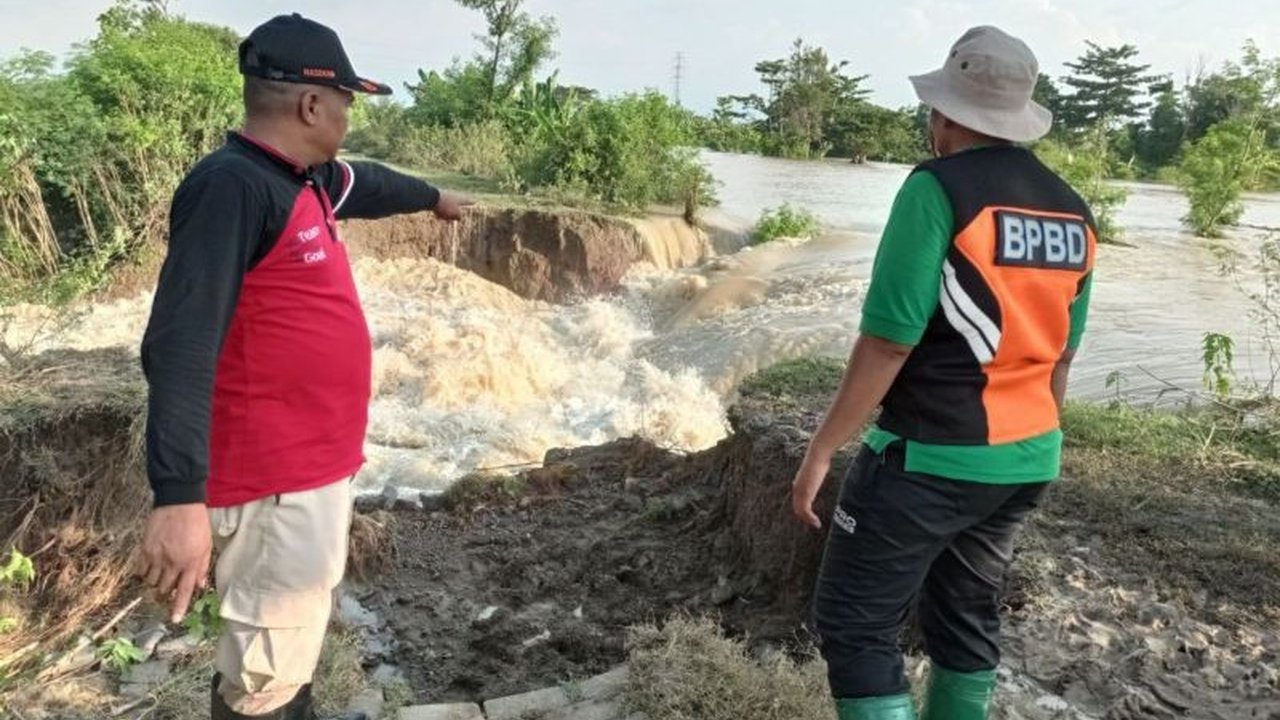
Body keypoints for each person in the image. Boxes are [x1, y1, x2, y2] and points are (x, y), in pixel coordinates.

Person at [133, 14, 469, 720]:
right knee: (266, 686)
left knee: (278, 663)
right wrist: (179, 496)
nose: (350, 115)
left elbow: (370, 184)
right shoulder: (234, 188)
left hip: (304, 476)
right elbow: (180, 344)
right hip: (271, 484)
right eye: (346, 100)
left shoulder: (304, 177)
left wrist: (435, 198)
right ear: (312, 105)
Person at [790, 26, 1097, 720]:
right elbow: (1063, 353)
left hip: (929, 457)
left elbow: (889, 342)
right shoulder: (1075, 211)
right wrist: (1031, 444)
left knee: (855, 622)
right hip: (1028, 458)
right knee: (964, 615)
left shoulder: (936, 190)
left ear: (946, 114)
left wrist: (822, 448)